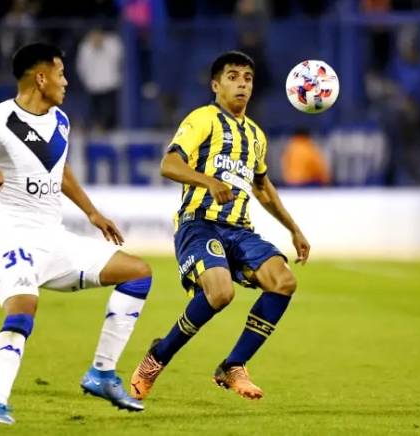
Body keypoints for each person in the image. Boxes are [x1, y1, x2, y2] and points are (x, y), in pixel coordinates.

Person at [0, 43, 150, 424]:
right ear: (41, 78)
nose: (66, 82)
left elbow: (59, 169)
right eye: (61, 73)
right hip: (11, 238)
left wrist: (91, 212)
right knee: (23, 309)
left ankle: (102, 373)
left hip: (54, 238)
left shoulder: (60, 120)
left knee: (137, 273)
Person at [129, 51, 310, 401]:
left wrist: (294, 229)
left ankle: (233, 365)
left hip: (239, 230)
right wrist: (207, 181)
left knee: (284, 281)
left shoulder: (256, 135)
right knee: (221, 293)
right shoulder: (203, 120)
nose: (242, 84)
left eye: (248, 78)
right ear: (216, 85)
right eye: (232, 77)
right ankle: (158, 357)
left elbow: (262, 187)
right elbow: (168, 164)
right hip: (199, 225)